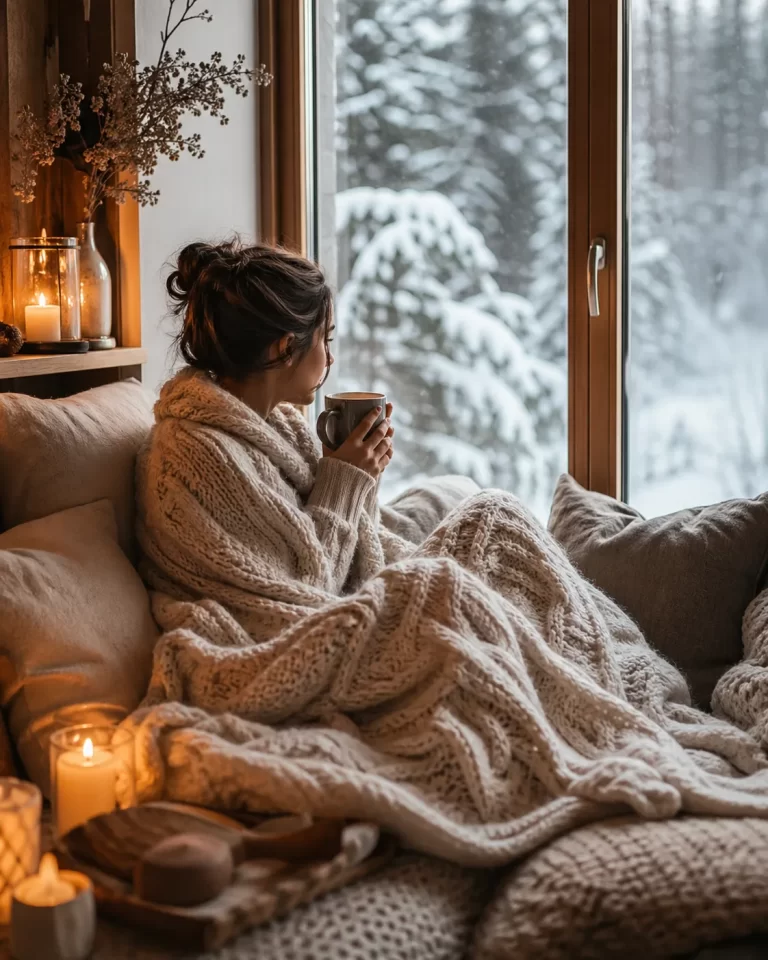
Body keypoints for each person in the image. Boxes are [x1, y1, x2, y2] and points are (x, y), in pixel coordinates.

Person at [136, 239, 476, 616]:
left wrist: (362, 473)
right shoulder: (199, 453)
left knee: (475, 507)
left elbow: (350, 542)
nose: (331, 357)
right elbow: (309, 585)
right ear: (284, 349)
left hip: (339, 592)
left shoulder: (272, 422)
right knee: (494, 526)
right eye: (325, 339)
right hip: (297, 629)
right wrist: (345, 478)